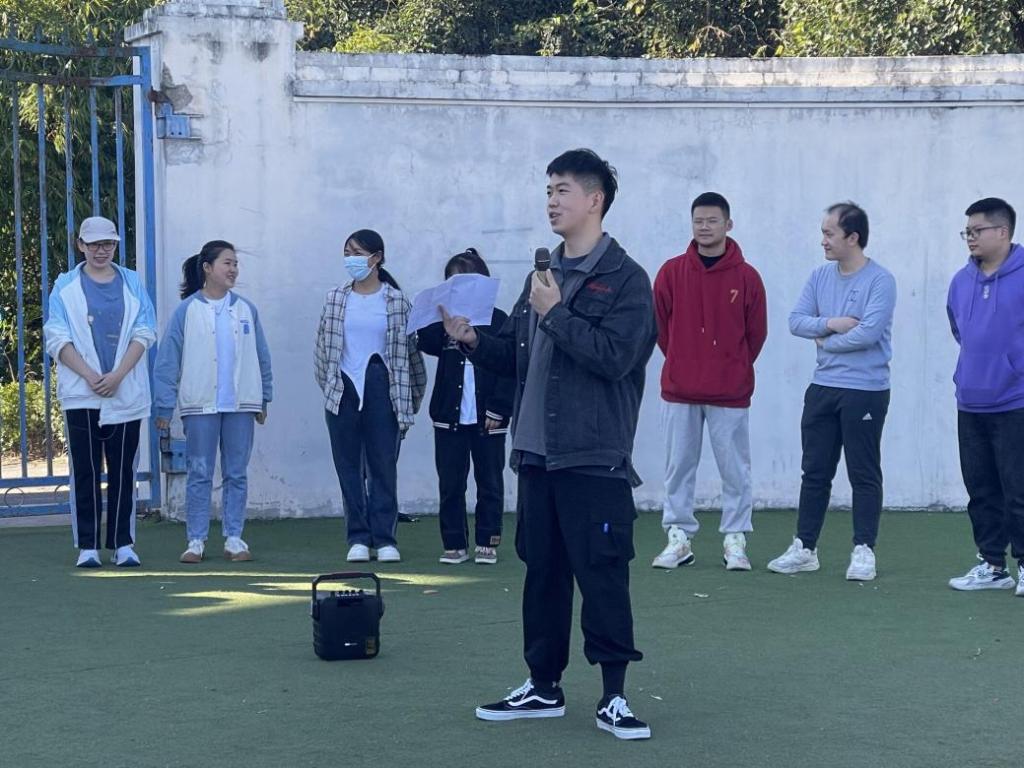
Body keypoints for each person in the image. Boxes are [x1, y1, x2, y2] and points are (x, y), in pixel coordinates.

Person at [443, 149, 657, 740]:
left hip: (594, 455)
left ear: (595, 199)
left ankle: (614, 696)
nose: (552, 201)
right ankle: (543, 686)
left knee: (603, 574)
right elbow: (520, 352)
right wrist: (471, 341)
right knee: (542, 574)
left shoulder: (627, 280)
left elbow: (616, 358)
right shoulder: (541, 276)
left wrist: (557, 313)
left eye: (563, 190)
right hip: (536, 454)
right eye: (548, 191)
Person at [768, 202, 896, 581]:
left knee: (863, 472)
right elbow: (796, 321)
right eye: (823, 233)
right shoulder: (819, 276)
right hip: (823, 388)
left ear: (852, 237)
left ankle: (864, 550)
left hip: (865, 390)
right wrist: (834, 324)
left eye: (829, 234)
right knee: (815, 471)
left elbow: (869, 333)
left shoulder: (880, 280)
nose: (822, 240)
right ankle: (805, 548)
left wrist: (826, 342)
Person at [651, 192, 767, 571]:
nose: (704, 227)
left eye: (712, 220)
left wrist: (731, 367)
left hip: (729, 393)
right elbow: (660, 328)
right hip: (679, 391)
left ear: (728, 225)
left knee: (735, 470)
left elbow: (756, 334)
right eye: (698, 221)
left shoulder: (747, 278)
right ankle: (678, 537)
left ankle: (735, 539)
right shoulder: (671, 273)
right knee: (678, 467)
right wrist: (683, 360)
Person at [43, 216, 156, 568]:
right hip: (81, 393)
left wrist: (118, 375)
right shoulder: (64, 287)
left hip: (126, 392)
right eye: (93, 244)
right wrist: (91, 376)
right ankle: (88, 546)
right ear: (81, 246)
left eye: (107, 243)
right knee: (86, 470)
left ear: (115, 245)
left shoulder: (132, 282)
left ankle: (123, 544)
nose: (100, 250)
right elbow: (56, 337)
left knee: (123, 470)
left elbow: (145, 331)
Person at [153, 241, 273, 564]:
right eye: (227, 263)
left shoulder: (246, 310)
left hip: (240, 405)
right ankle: (196, 540)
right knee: (199, 471)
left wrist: (264, 397)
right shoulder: (187, 311)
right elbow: (167, 361)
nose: (233, 269)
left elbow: (261, 356)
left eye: (235, 264)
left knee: (236, 472)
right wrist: (164, 406)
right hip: (200, 404)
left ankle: (234, 537)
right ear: (207, 268)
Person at [315, 229, 426, 564]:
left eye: (358, 253)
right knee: (348, 468)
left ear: (376, 258)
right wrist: (332, 387)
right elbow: (322, 349)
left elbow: (412, 357)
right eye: (347, 252)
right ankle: (358, 538)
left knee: (383, 466)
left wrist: (408, 401)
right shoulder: (335, 298)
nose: (351, 259)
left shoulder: (397, 301)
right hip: (343, 391)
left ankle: (385, 538)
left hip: (383, 390)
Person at [946, 198, 1024, 596]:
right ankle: (993, 566)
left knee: (1018, 490)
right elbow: (959, 330)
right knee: (981, 491)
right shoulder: (961, 281)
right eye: (967, 232)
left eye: (977, 231)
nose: (970, 238)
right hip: (971, 402)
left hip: (1016, 402)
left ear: (1003, 232)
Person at [417, 248, 513, 565]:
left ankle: (488, 540)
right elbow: (424, 341)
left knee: (490, 482)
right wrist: (436, 318)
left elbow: (510, 366)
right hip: (449, 416)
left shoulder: (499, 320)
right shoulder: (443, 322)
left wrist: (499, 408)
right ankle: (454, 543)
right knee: (451, 483)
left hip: (489, 418)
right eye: (451, 283)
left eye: (464, 281)